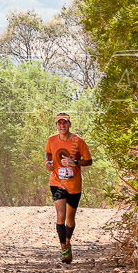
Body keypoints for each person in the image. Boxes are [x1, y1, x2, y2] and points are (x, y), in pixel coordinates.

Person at [44, 112, 92, 264]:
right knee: (60, 215)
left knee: (70, 219)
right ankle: (63, 247)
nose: (62, 125)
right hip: (57, 182)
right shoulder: (51, 140)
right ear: (56, 126)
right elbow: (48, 155)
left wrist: (76, 163)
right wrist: (47, 164)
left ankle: (68, 241)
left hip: (74, 184)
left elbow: (89, 161)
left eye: (65, 123)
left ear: (69, 124)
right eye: (59, 123)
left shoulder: (78, 141)